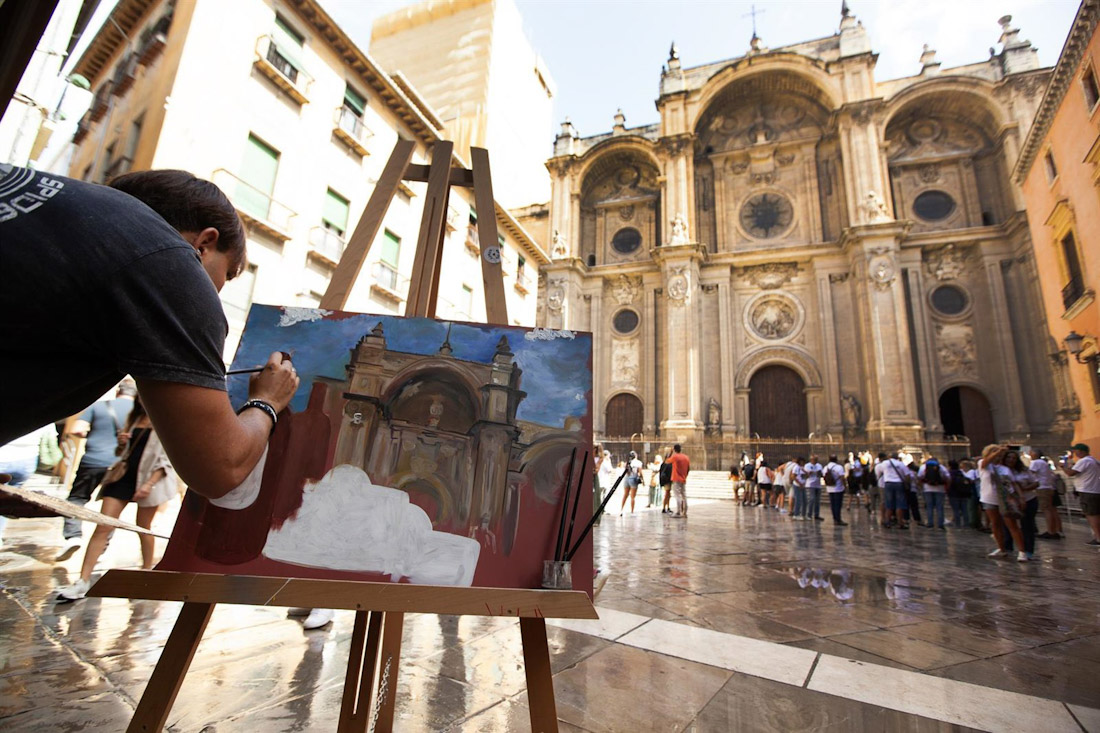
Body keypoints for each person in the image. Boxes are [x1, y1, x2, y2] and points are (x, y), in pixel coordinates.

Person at [0, 167, 299, 501]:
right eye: (225, 275)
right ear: (204, 243)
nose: (214, 295)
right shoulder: (169, 264)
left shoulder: (58, 211)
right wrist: (267, 401)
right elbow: (220, 468)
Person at [57, 396, 179, 600]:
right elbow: (121, 453)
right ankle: (82, 581)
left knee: (143, 527)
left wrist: (149, 485)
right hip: (122, 476)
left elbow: (167, 459)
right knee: (103, 525)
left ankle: (147, 573)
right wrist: (122, 444)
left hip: (149, 479)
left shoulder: (166, 420)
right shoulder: (133, 418)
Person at [56, 380, 137, 560]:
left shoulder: (99, 406)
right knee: (111, 511)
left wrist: (93, 433)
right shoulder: (138, 413)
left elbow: (77, 430)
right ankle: (100, 549)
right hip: (119, 465)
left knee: (76, 498)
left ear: (118, 391)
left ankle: (73, 535)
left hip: (93, 460)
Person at [0, 424, 57, 545]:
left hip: (3, 455)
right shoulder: (40, 407)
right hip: (27, 459)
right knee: (8, 502)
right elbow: (51, 435)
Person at [977, 444, 1027, 561]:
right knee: (995, 524)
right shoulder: (983, 464)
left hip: (1005, 499)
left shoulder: (1005, 469)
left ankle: (1022, 551)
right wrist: (998, 450)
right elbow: (986, 462)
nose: (998, 455)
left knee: (1012, 525)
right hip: (989, 497)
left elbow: (1014, 484)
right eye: (994, 452)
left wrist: (1020, 497)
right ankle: (1001, 548)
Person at [1062, 443, 1100, 546]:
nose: (1074, 453)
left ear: (1082, 451)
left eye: (1076, 451)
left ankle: (1098, 538)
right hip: (1095, 490)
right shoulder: (1094, 460)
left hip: (1087, 491)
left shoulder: (1084, 461)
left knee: (1091, 514)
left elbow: (1070, 473)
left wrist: (1063, 467)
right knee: (1095, 514)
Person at [1005, 450, 1039, 559]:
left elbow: (1036, 482)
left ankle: (1028, 550)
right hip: (1009, 502)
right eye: (1009, 457)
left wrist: (1024, 489)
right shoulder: (1001, 470)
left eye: (1014, 458)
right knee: (1008, 526)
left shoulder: (1023, 471)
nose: (1011, 460)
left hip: (1028, 500)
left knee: (1027, 526)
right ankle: (1007, 547)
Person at [1029, 449, 1062, 540]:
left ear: (1035, 454)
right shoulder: (1043, 463)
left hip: (1042, 487)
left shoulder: (1035, 462)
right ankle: (1054, 530)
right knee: (1051, 509)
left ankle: (1051, 531)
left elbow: (1030, 474)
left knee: (1046, 509)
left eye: (1031, 452)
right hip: (1049, 487)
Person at [876, 452, 912, 529]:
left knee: (889, 503)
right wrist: (907, 483)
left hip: (888, 483)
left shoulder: (885, 463)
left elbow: (879, 471)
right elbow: (907, 475)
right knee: (900, 504)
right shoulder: (900, 464)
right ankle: (900, 522)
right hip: (898, 483)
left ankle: (887, 521)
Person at [917, 458, 947, 529]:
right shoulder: (942, 467)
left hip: (927, 489)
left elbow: (919, 477)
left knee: (929, 506)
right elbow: (947, 477)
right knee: (939, 507)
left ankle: (930, 523)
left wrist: (922, 486)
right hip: (940, 489)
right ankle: (940, 523)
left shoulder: (923, 467)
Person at [946, 460, 972, 530]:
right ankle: (966, 524)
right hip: (963, 493)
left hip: (953, 494)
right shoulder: (961, 473)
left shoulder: (949, 474)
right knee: (965, 510)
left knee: (956, 510)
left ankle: (958, 524)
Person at [823, 455, 847, 526]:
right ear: (836, 460)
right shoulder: (839, 467)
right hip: (838, 488)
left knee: (833, 505)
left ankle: (835, 519)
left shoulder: (825, 467)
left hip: (830, 488)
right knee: (838, 505)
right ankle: (838, 519)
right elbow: (842, 478)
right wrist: (845, 486)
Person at [668, 444, 690, 517]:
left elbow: (667, 461)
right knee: (684, 495)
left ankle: (678, 512)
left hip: (676, 478)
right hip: (683, 478)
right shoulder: (686, 457)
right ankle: (685, 512)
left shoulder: (675, 457)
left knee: (677, 496)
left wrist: (670, 453)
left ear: (674, 450)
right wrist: (685, 476)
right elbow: (688, 469)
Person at [620, 450, 643, 515]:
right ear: (636, 456)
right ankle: (632, 511)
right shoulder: (638, 462)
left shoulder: (627, 463)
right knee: (632, 497)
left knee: (625, 495)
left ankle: (622, 509)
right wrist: (642, 480)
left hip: (626, 478)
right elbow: (640, 472)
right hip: (633, 478)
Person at [803, 455, 824, 521]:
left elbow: (821, 474)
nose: (815, 460)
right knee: (811, 499)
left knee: (817, 501)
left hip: (817, 484)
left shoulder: (819, 465)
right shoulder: (807, 465)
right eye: (814, 459)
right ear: (811, 459)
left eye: (816, 459)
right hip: (810, 484)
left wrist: (819, 473)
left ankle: (816, 515)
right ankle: (809, 514)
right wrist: (810, 472)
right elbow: (806, 474)